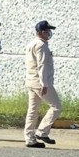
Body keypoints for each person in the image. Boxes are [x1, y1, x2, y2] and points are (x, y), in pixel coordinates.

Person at [24, 20, 62, 148]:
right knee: (56, 107)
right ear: (42, 32)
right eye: (47, 31)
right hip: (40, 82)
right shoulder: (41, 46)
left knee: (32, 110)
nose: (49, 33)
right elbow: (42, 66)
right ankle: (42, 132)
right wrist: (44, 84)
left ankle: (30, 139)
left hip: (31, 81)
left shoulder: (31, 44)